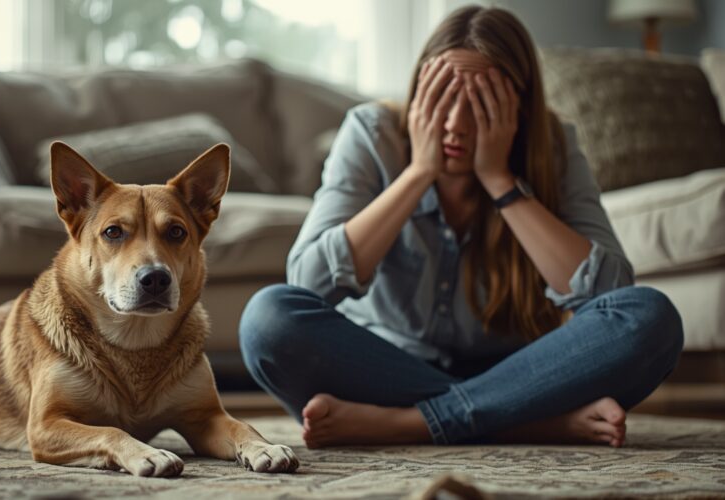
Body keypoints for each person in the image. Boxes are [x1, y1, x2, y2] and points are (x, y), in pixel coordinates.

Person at [238, 6, 683, 449]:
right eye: (442, 99)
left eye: (479, 105)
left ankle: (406, 426)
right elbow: (308, 284)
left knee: (651, 318)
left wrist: (500, 182)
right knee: (267, 320)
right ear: (418, 93)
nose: (454, 125)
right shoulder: (373, 133)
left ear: (520, 110)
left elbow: (610, 294)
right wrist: (418, 173)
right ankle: (527, 424)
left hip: (524, 370)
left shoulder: (553, 146)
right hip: (385, 371)